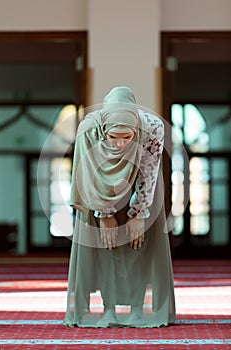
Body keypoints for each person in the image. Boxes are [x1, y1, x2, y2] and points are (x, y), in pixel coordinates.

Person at [63, 86, 176, 328]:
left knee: (139, 247)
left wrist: (138, 213)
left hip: (139, 187)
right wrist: (104, 214)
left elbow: (147, 172)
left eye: (128, 137)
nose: (120, 144)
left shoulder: (151, 127)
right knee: (106, 247)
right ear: (104, 131)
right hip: (96, 192)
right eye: (114, 137)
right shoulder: (89, 130)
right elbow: (88, 174)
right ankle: (107, 309)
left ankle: (137, 309)